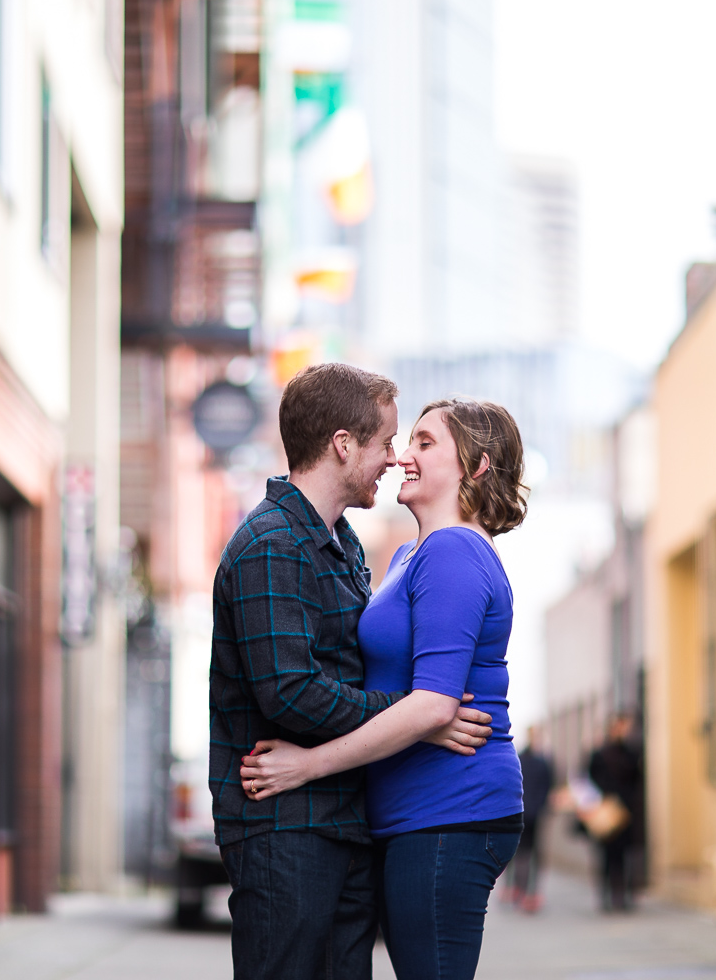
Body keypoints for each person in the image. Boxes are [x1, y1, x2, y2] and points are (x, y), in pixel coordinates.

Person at [210, 364, 495, 980]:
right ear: (344, 444)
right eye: (387, 442)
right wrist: (416, 716)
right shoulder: (271, 544)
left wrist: (419, 714)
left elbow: (355, 677)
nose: (393, 459)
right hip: (282, 826)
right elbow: (291, 693)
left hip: (345, 822)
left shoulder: (341, 547)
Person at [586, 713, 645, 913]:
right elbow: (590, 779)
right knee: (606, 856)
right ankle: (606, 896)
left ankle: (621, 895)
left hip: (625, 812)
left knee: (623, 855)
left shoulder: (631, 752)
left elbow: (636, 780)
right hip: (606, 811)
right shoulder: (600, 754)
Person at [506, 726, 553, 913]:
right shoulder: (529, 760)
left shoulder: (533, 761)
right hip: (528, 813)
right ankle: (524, 890)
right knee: (525, 854)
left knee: (526, 854)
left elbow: (548, 786)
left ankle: (526, 891)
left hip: (529, 813)